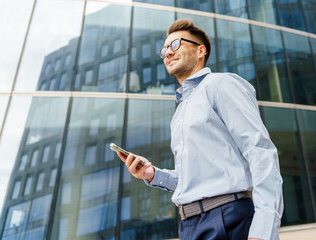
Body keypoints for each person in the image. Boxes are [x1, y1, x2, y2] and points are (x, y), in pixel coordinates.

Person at [117, 18, 283, 240]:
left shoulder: (221, 85)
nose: (168, 52)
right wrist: (153, 174)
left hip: (227, 217)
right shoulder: (179, 113)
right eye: (165, 49)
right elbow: (195, 180)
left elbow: (260, 152)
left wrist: (263, 232)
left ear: (200, 51)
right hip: (189, 225)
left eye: (176, 45)